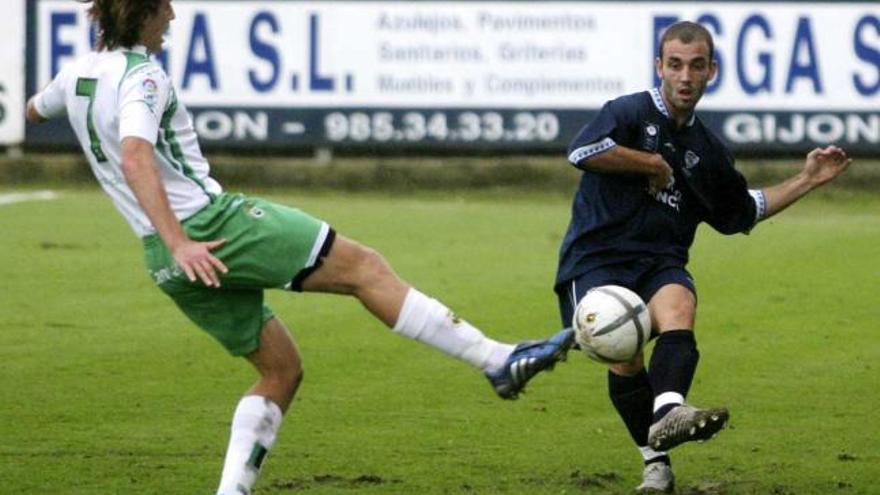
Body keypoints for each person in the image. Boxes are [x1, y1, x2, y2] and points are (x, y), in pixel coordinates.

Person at [26, 1, 575, 494]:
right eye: (164, 5)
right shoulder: (144, 77)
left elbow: (35, 109)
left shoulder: (75, 73)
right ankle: (497, 360)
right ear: (142, 13)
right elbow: (136, 156)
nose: (172, 15)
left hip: (161, 258)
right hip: (211, 229)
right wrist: (183, 240)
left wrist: (170, 245)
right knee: (364, 268)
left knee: (280, 370)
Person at [555, 21, 851, 493]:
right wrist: (650, 163)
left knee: (679, 307)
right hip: (597, 261)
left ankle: (670, 409)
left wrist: (808, 179)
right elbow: (584, 150)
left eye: (696, 66)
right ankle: (656, 461)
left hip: (659, 261)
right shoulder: (629, 112)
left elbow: (744, 211)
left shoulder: (709, 153)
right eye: (675, 65)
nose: (685, 76)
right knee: (624, 353)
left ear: (712, 70)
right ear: (659, 67)